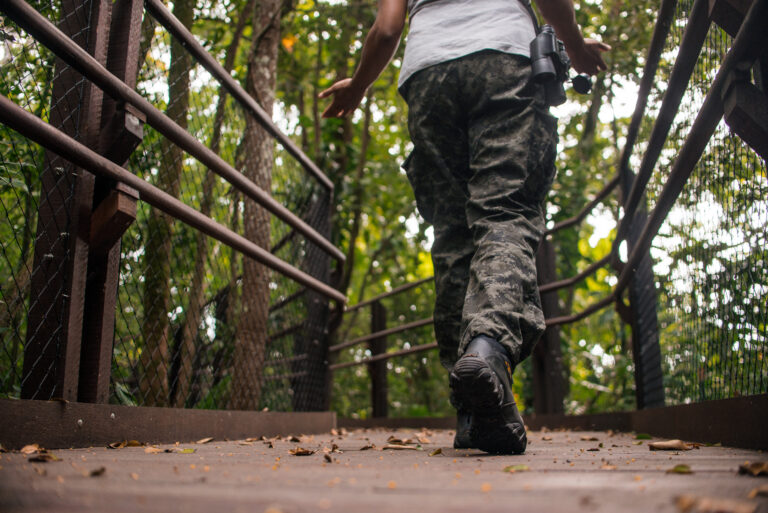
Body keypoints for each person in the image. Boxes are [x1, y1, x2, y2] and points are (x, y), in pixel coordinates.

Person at [320, 0, 609, 454]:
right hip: (505, 61)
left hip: (428, 77)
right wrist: (573, 42)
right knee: (505, 213)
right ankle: (487, 349)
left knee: (454, 236)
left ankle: (472, 415)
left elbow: (387, 29)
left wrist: (358, 87)